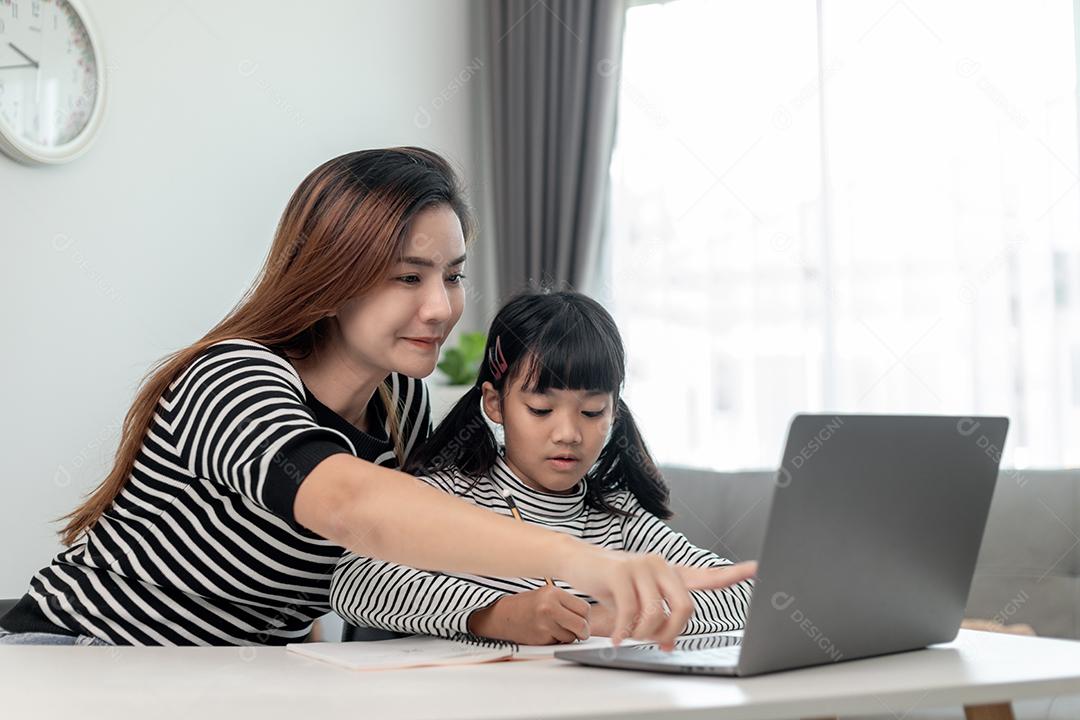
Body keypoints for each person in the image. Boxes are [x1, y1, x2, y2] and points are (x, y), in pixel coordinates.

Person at [0, 148, 754, 648]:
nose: (441, 308)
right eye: (407, 277)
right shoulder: (233, 377)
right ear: (331, 276)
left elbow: (406, 553)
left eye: (453, 276)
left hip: (230, 678)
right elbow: (350, 510)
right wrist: (585, 564)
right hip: (78, 656)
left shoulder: (399, 403)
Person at [330, 291, 754, 645]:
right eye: (541, 409)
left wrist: (597, 620)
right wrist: (493, 615)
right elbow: (354, 579)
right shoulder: (450, 497)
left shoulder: (616, 518)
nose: (568, 433)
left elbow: (744, 595)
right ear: (495, 403)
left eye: (592, 412)